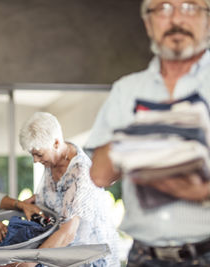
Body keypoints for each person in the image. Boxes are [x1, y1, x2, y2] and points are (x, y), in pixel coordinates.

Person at [85, 0, 210, 265]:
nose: (176, 19)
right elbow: (100, 174)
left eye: (190, 7)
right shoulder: (126, 90)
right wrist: (147, 132)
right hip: (143, 257)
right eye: (163, 8)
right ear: (149, 23)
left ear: (207, 20)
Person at [16, 112, 119, 267]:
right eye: (32, 155)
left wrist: (29, 262)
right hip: (63, 255)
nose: (35, 160)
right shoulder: (52, 162)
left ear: (56, 143)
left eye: (38, 154)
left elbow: (68, 233)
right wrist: (36, 200)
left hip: (90, 258)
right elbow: (60, 198)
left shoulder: (80, 172)